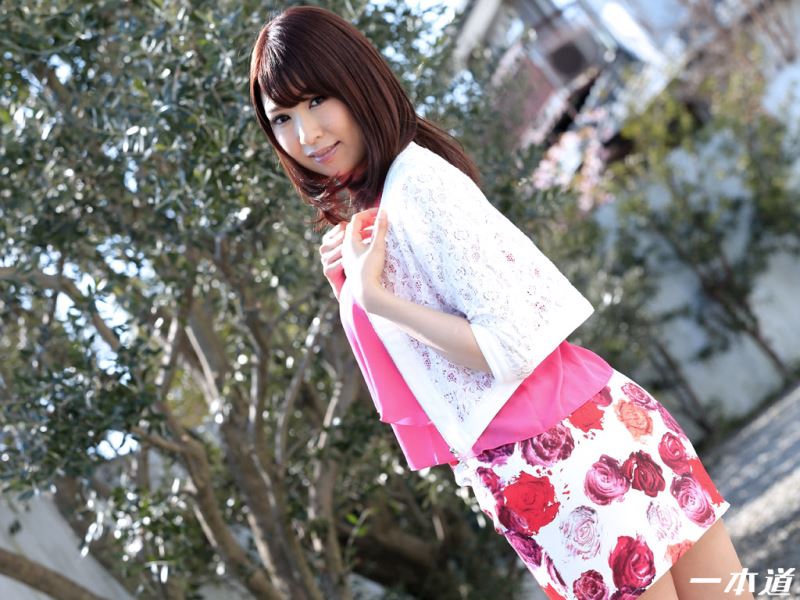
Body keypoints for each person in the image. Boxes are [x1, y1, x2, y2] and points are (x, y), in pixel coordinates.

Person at [248, 6, 752, 599]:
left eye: (316, 101)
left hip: (558, 462)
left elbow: (504, 348)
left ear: (356, 83)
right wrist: (359, 287)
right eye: (282, 117)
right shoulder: (389, 202)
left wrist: (376, 300)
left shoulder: (416, 185)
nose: (306, 134)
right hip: (585, 432)